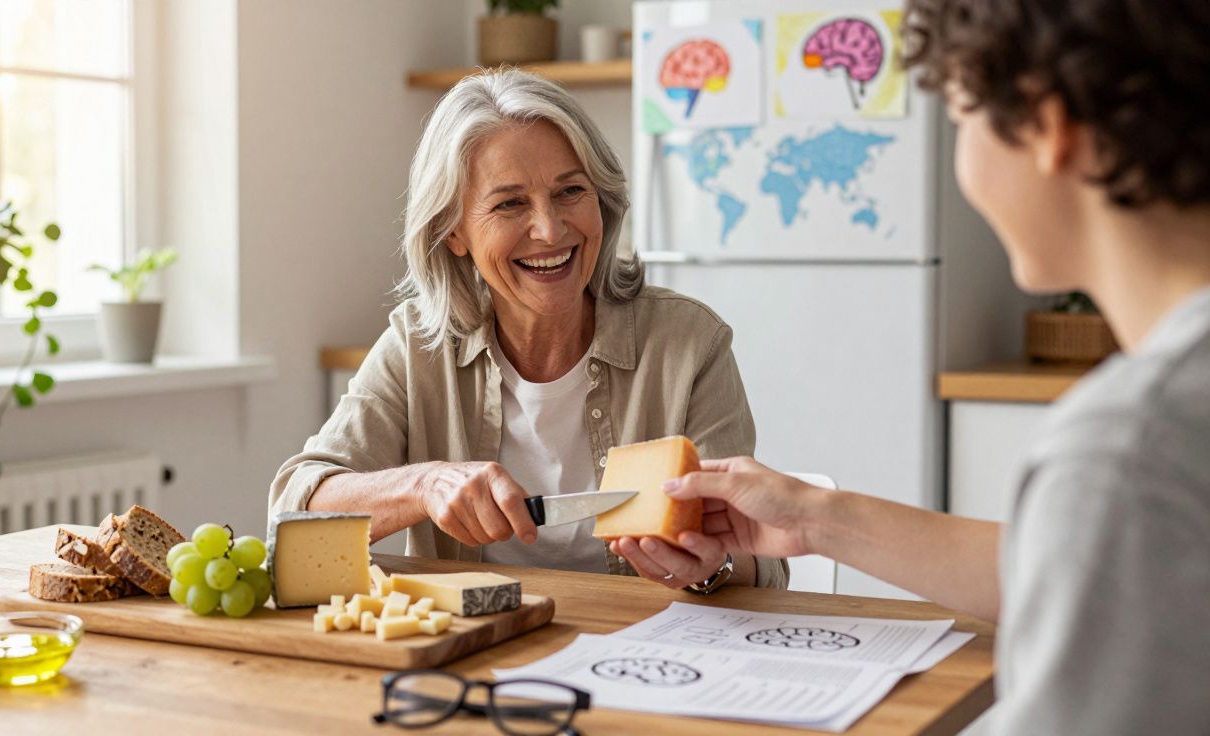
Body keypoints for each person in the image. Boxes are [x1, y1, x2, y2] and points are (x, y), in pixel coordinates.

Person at [663, 0, 1210, 731]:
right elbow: (1084, 571)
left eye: (959, 120)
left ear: (1045, 125)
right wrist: (813, 518)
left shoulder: (1131, 447)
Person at [270, 69, 788, 591]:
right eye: (510, 203)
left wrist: (713, 567)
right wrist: (425, 485)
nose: (550, 229)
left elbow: (759, 564)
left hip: (643, 636)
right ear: (453, 231)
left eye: (570, 191)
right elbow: (295, 514)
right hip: (477, 636)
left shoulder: (690, 342)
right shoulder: (417, 348)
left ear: (602, 200)